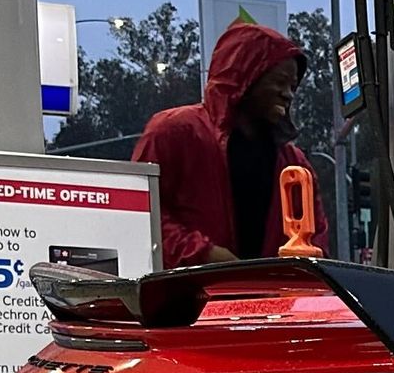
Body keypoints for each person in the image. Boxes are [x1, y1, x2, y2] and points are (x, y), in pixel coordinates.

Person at [137, 20, 329, 267]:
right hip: (184, 299)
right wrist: (204, 254)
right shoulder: (174, 131)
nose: (288, 94)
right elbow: (143, 216)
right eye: (280, 82)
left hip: (268, 301)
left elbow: (317, 239)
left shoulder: (293, 164)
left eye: (292, 86)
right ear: (246, 77)